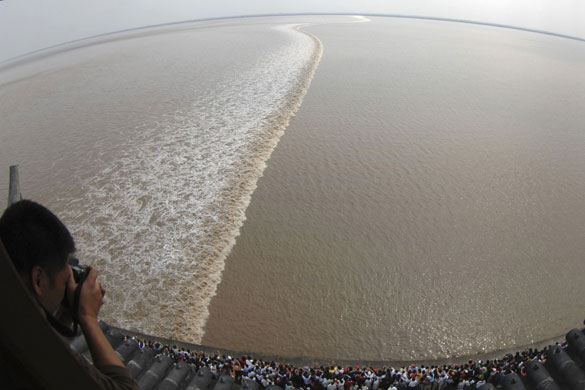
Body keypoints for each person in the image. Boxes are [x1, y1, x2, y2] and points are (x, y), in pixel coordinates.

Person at [0, 199, 139, 389]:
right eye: (65, 281)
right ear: (38, 279)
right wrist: (87, 316)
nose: (66, 286)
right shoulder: (27, 339)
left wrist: (65, 311)